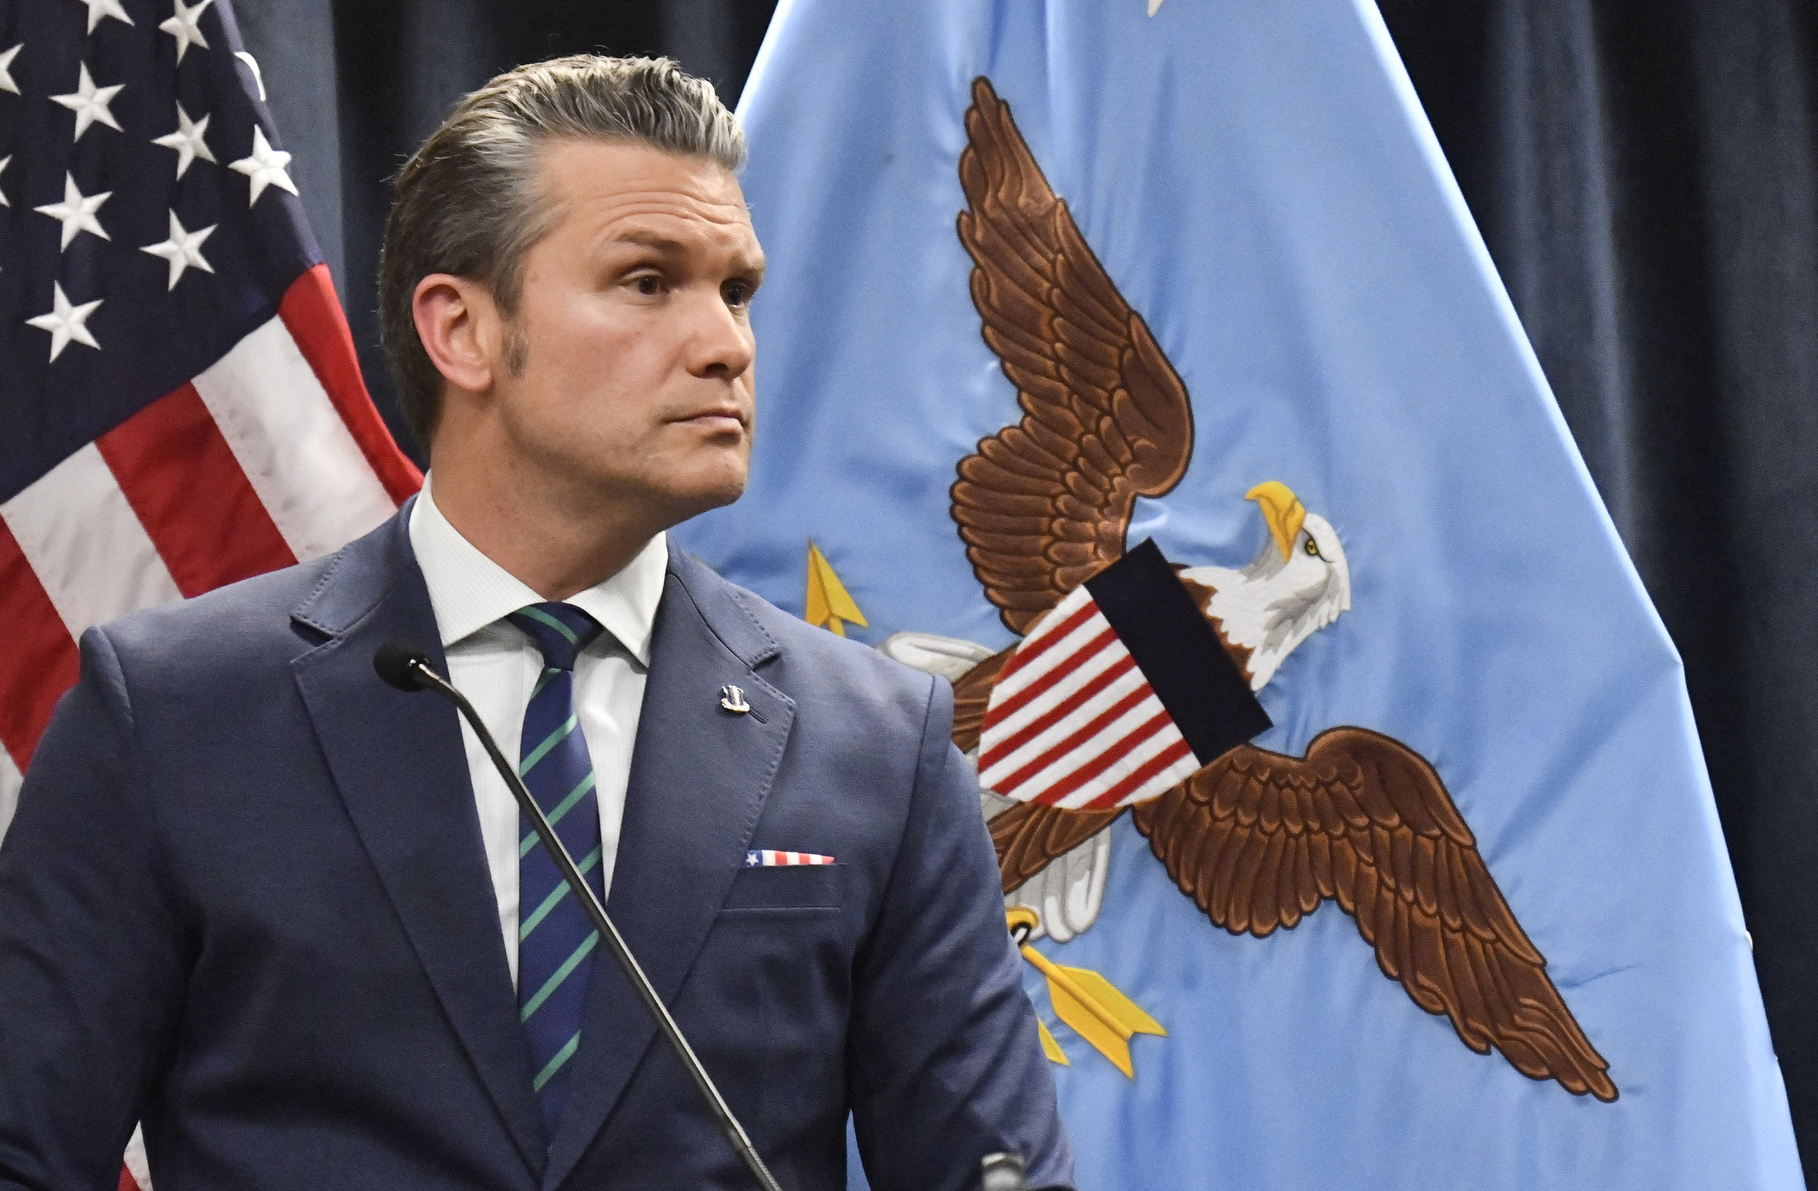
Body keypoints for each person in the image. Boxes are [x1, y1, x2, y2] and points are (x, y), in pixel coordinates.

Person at [0, 56, 1072, 1191]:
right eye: (650, 282)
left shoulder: (875, 743)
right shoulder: (174, 712)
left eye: (737, 289)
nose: (729, 345)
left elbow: (989, 1173)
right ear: (462, 330)